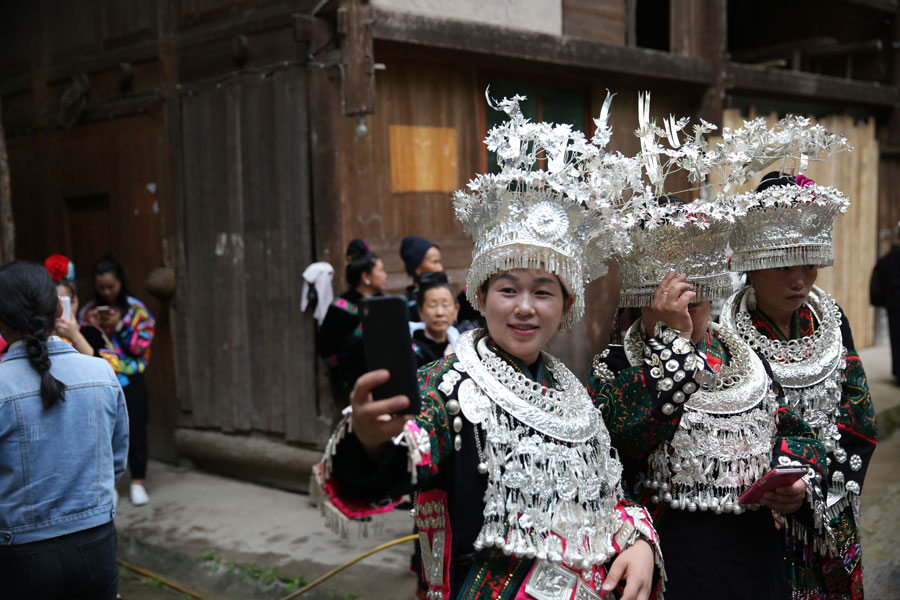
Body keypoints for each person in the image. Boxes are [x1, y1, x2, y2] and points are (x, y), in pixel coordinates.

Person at [314, 96, 661, 600]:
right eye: (508, 289)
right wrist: (369, 441)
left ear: (567, 306)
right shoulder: (447, 387)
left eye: (543, 292)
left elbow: (608, 492)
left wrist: (638, 542)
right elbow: (388, 468)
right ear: (479, 295)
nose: (525, 308)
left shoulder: (572, 393)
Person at [721, 172, 877, 599]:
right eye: (784, 266)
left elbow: (858, 420)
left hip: (828, 510)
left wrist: (814, 488)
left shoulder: (831, 321)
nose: (800, 281)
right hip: (755, 516)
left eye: (808, 264)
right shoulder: (722, 335)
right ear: (752, 263)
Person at [0, 260, 129, 599]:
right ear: (59, 308)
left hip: (20, 552)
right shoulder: (102, 373)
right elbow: (116, 461)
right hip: (95, 544)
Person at [80, 256, 155, 507]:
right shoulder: (88, 311)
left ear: (121, 282)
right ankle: (110, 485)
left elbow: (141, 345)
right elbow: (82, 347)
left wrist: (120, 326)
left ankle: (138, 482)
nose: (106, 292)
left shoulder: (135, 310)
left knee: (137, 430)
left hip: (131, 379)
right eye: (101, 287)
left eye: (111, 286)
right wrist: (90, 327)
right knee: (104, 433)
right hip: (101, 380)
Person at [316, 239, 388, 412]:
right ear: (366, 278)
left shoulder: (387, 304)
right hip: (353, 385)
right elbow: (325, 348)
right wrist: (341, 372)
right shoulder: (340, 308)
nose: (385, 275)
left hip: (386, 381)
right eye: (381, 270)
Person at [870, 219, 900, 384]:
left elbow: (877, 281)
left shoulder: (888, 259)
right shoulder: (888, 259)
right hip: (894, 304)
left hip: (894, 304)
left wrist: (879, 300)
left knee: (896, 338)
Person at [410, 272, 460, 367]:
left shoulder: (463, 348)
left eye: (445, 305)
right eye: (432, 305)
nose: (439, 313)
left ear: (456, 310)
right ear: (421, 312)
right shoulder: (411, 348)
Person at [400, 235, 444, 321]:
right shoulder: (408, 306)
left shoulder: (446, 291)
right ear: (417, 268)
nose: (440, 268)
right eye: (435, 262)